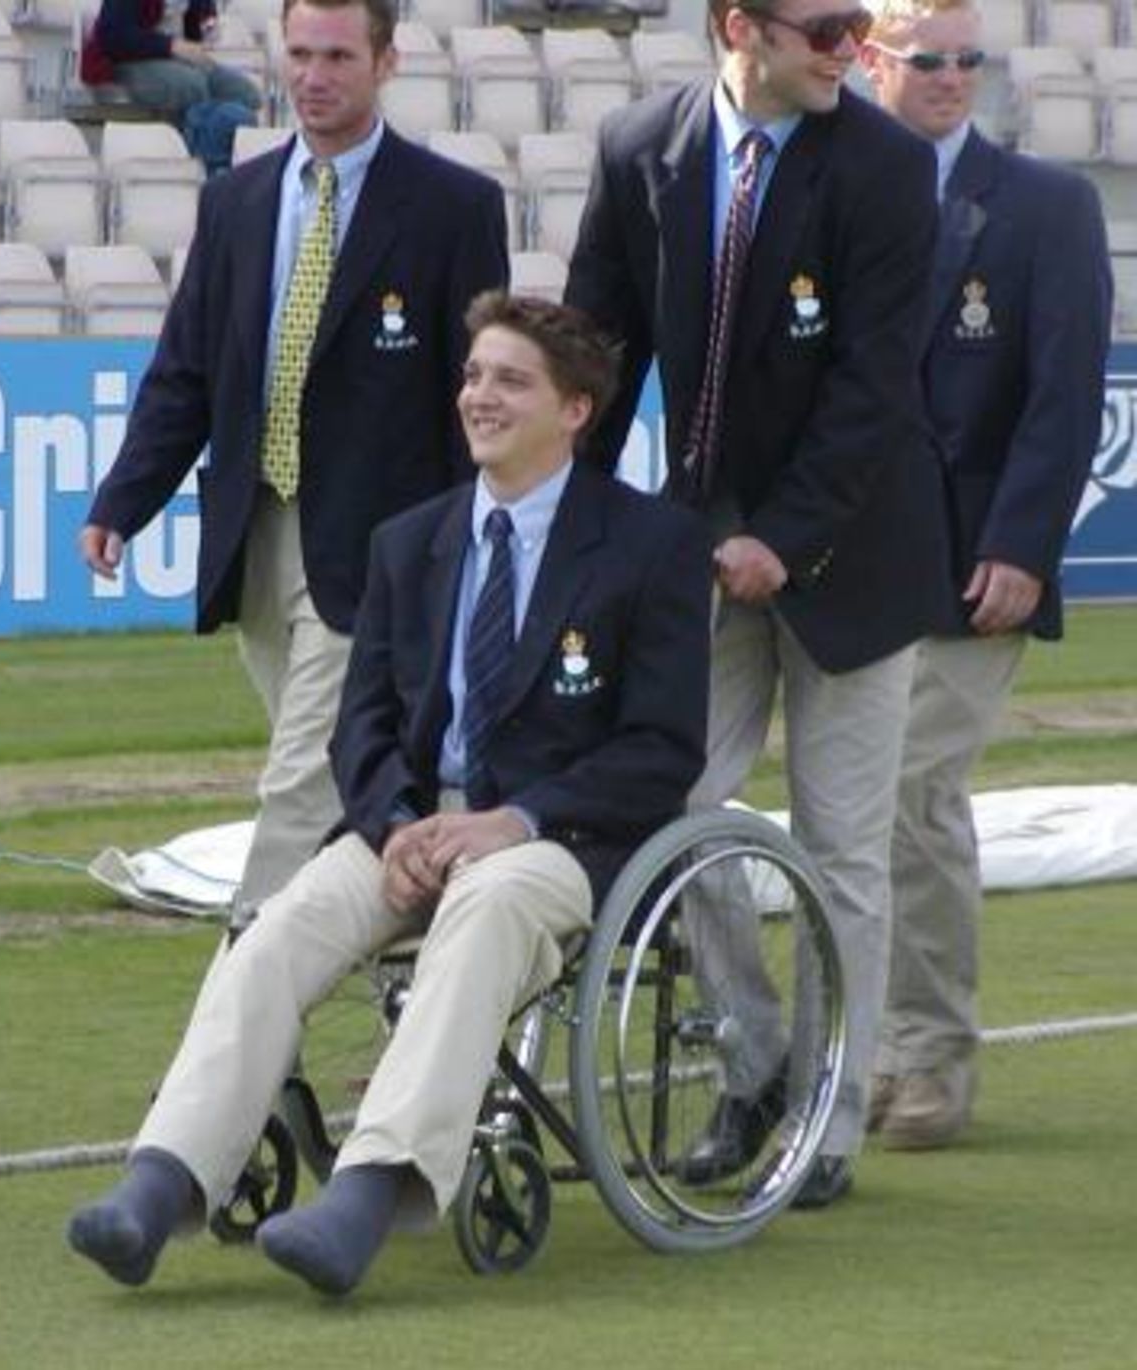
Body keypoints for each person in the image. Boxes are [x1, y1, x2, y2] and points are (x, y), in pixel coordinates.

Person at [66, 291, 712, 1297]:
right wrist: (398, 823)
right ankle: (161, 1183)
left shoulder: (650, 544)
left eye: (509, 379)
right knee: (278, 927)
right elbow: (360, 726)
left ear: (576, 409)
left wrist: (513, 819)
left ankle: (369, 1189)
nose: (478, 396)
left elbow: (662, 749)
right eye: (472, 374)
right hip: (412, 827)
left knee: (490, 902)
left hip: (560, 837)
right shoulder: (408, 541)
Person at [565, 0, 953, 1207]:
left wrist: (781, 539)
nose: (848, 46)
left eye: (853, 24)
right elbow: (596, 353)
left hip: (856, 557)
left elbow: (874, 383)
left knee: (842, 850)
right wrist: (566, 526)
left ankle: (826, 1122)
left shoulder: (883, 166)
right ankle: (755, 1062)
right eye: (823, 25)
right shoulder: (642, 147)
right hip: (699, 547)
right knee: (673, 796)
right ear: (740, 25)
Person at [80, 0, 509, 919]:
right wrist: (122, 500)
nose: (314, 75)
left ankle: (243, 1018)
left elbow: (478, 393)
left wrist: (474, 542)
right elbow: (187, 370)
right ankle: (421, 986)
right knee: (355, 788)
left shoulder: (453, 208)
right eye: (301, 53)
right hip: (257, 534)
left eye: (339, 56)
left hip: (383, 548)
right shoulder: (234, 200)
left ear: (387, 62)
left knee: (299, 781)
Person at [860, 0, 1112, 1149]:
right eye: (928, 60)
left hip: (971, 566)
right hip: (838, 565)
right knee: (842, 818)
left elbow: (1063, 400)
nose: (951, 77)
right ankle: (845, 1057)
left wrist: (1020, 543)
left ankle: (925, 1062)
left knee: (911, 799)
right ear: (872, 62)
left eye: (967, 59)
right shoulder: (826, 190)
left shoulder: (1046, 206)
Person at [82, 0, 263, 135]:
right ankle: (199, 159)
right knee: (191, 86)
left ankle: (224, 162)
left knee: (245, 94)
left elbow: (203, 22)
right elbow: (113, 36)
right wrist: (172, 46)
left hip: (180, 58)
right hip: (130, 59)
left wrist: (208, 26)